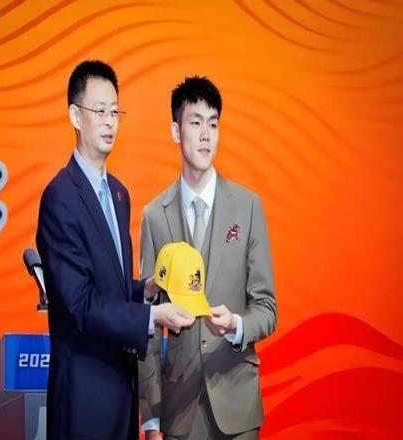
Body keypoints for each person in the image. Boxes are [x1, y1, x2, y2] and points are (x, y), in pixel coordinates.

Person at [36, 60, 194, 440]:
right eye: (99, 111)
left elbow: (112, 289)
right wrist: (152, 317)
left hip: (123, 390)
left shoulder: (119, 194)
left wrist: (145, 290)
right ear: (75, 116)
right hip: (84, 398)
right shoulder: (60, 197)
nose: (109, 122)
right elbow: (80, 304)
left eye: (115, 112)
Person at [138, 76, 277, 439]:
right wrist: (150, 419)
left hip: (237, 404)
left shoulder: (247, 207)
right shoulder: (155, 216)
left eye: (213, 124)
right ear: (176, 131)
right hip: (179, 408)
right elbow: (147, 323)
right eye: (196, 122)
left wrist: (236, 325)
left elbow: (267, 307)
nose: (206, 135)